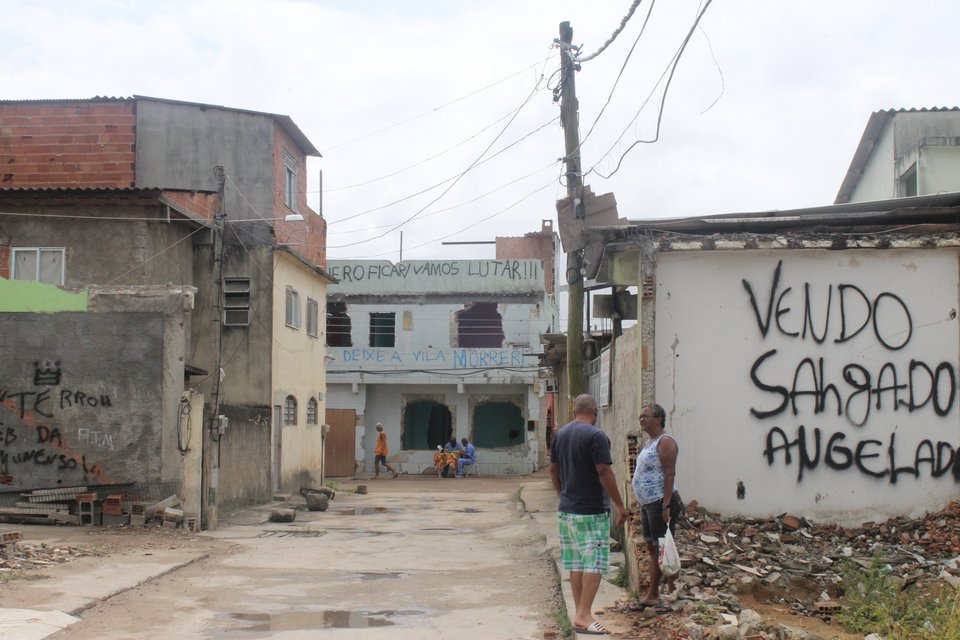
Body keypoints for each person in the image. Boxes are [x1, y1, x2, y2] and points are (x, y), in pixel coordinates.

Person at [550, 394, 627, 636]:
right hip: (591, 511)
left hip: (567, 510)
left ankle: (580, 613)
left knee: (576, 563)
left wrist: (562, 493)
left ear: (574, 410)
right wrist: (620, 504)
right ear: (594, 410)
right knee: (594, 562)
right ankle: (584, 614)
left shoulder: (560, 435)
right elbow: (604, 471)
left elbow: (553, 469)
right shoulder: (596, 436)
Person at [631, 403, 681, 612]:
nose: (642, 420)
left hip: (660, 502)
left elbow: (669, 474)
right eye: (640, 416)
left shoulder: (665, 442)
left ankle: (669, 595)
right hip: (648, 502)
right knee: (652, 547)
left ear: (658, 419)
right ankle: (652, 595)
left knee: (663, 548)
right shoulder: (649, 441)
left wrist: (666, 504)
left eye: (646, 416)